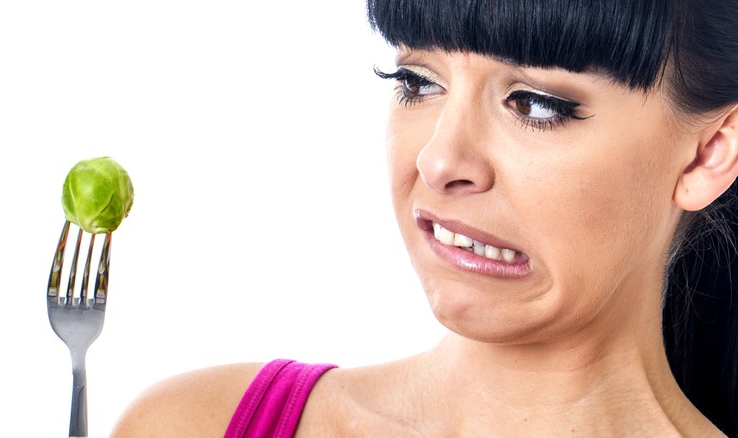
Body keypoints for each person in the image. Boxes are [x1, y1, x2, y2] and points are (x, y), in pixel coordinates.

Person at [110, 0, 738, 436]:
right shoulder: (192, 425)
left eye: (536, 104)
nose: (441, 159)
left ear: (710, 152)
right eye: (417, 81)